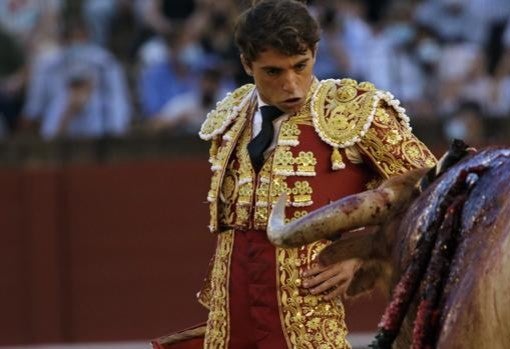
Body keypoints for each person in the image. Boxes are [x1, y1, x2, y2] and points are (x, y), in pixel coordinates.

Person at [153, 1, 436, 348]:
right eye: (273, 72)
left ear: (315, 52)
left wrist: (363, 253)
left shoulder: (352, 111)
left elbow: (432, 189)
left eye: (300, 66)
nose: (292, 86)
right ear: (246, 64)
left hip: (307, 315)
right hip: (230, 318)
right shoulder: (230, 117)